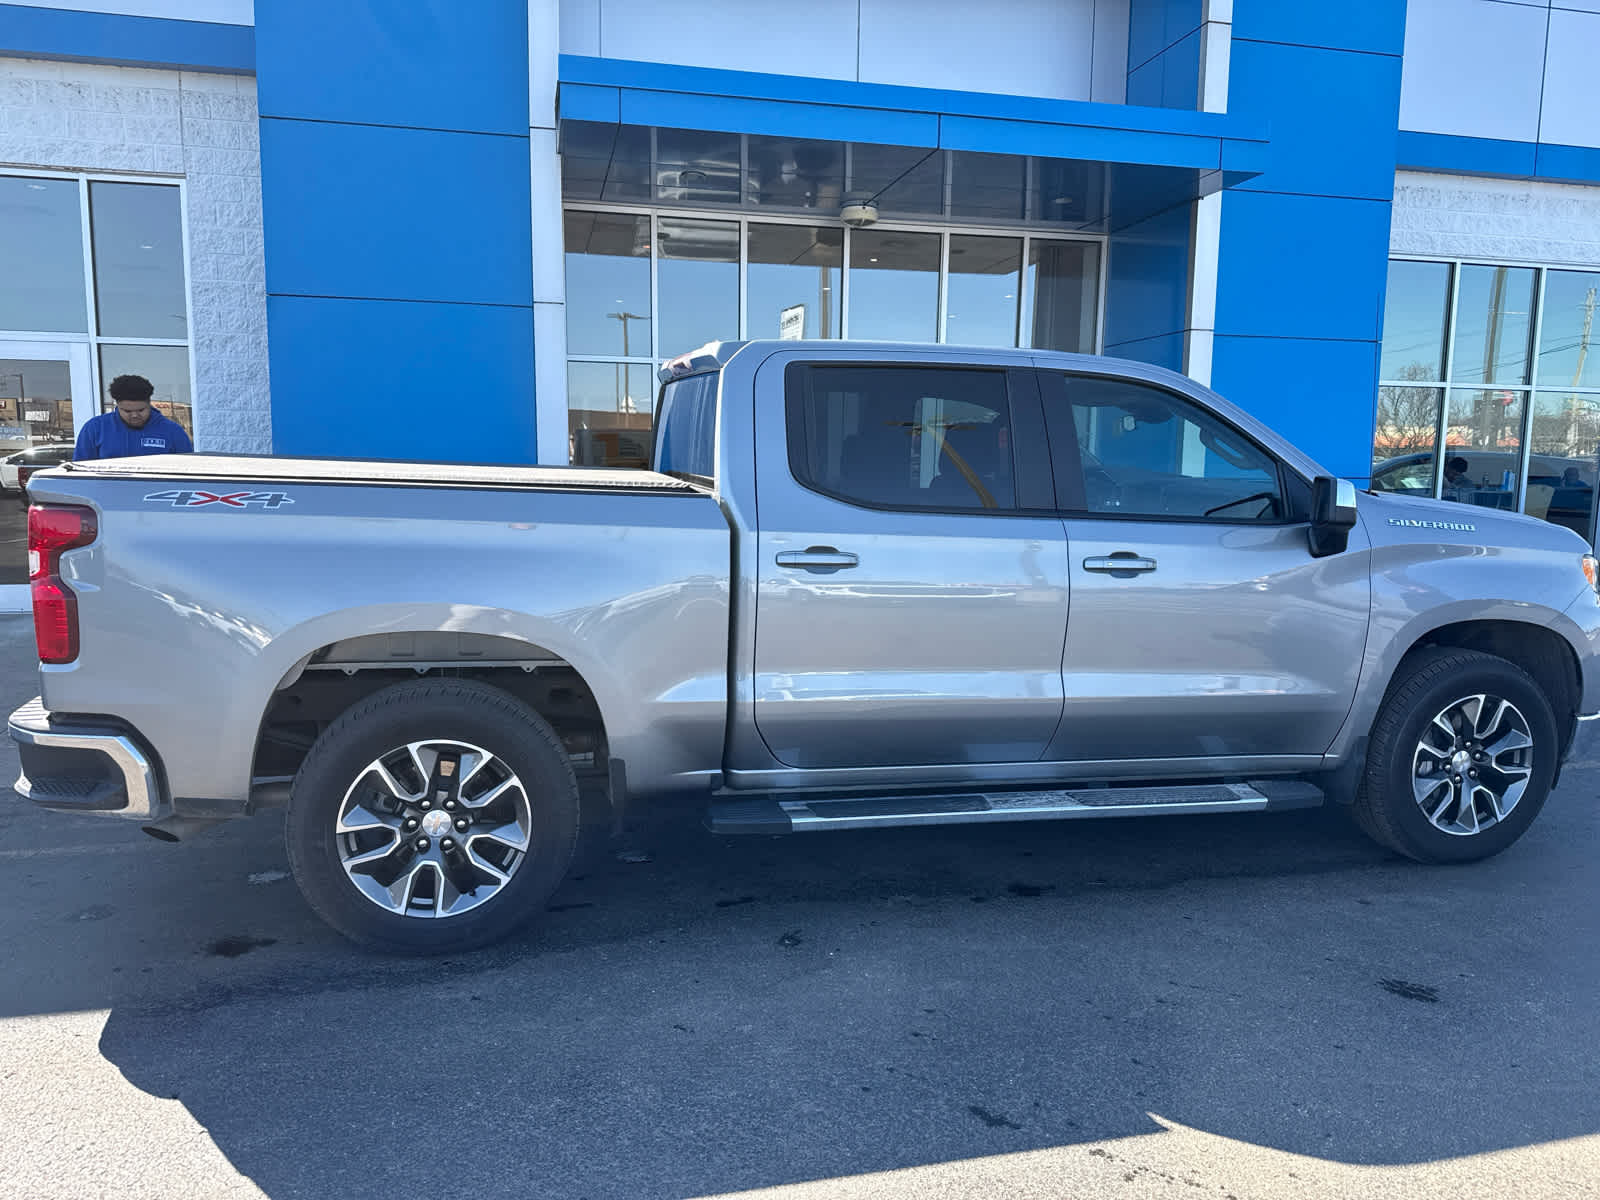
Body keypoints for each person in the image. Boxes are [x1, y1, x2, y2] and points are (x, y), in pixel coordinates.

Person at [74, 374, 193, 461]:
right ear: (117, 405)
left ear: (149, 403)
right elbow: (79, 470)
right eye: (127, 411)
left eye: (141, 410)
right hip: (107, 493)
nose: (135, 415)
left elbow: (189, 471)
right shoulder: (95, 428)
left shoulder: (173, 431)